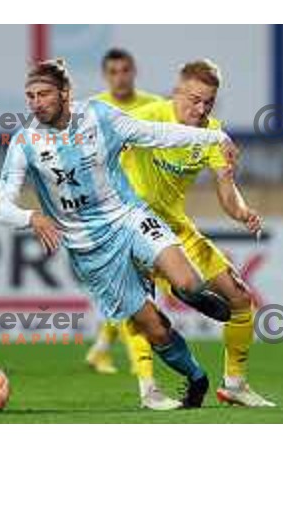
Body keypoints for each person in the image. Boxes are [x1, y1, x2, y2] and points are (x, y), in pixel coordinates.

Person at [0, 58, 237, 409]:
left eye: (44, 94)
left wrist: (215, 135)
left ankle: (193, 294)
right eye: (30, 96)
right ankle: (197, 378)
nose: (36, 102)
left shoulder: (98, 116)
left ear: (65, 93)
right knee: (154, 327)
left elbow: (155, 134)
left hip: (127, 216)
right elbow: (2, 207)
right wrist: (32, 217)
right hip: (89, 247)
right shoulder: (24, 142)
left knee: (187, 283)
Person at [119, 59, 275, 407]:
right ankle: (148, 389)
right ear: (176, 92)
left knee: (239, 296)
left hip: (177, 227)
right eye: (194, 99)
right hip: (134, 225)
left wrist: (242, 211)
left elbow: (226, 189)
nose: (201, 108)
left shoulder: (212, 134)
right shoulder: (148, 117)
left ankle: (234, 384)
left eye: (209, 102)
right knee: (144, 311)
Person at [86, 48, 175, 410]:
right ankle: (142, 379)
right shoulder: (92, 108)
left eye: (125, 70)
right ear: (106, 75)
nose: (120, 76)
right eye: (113, 71)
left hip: (149, 209)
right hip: (112, 211)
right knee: (133, 291)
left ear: (133, 71)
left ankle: (102, 347)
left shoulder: (154, 105)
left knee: (158, 287)